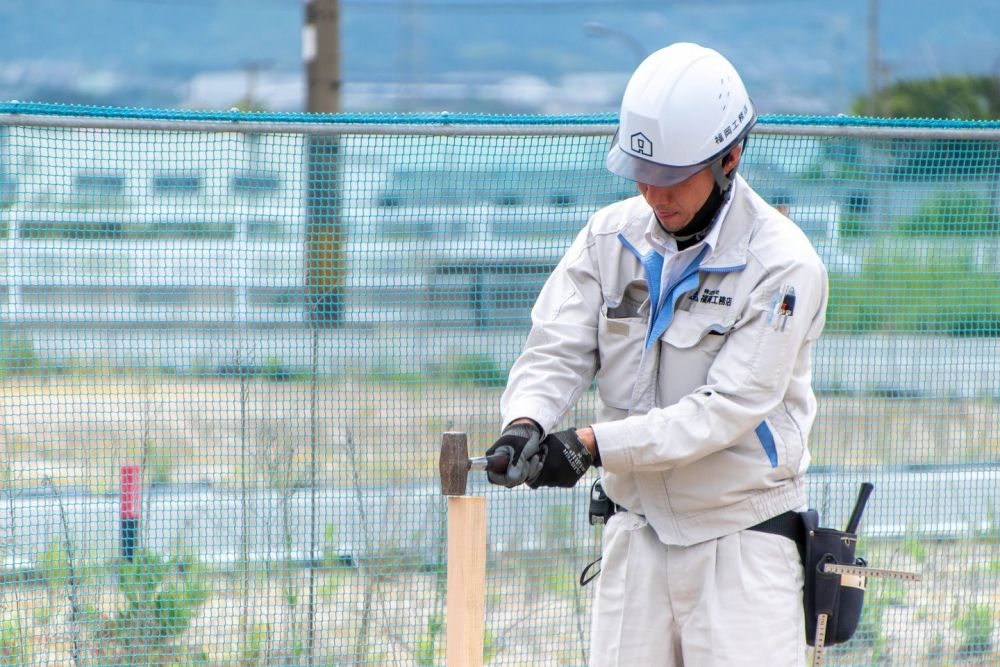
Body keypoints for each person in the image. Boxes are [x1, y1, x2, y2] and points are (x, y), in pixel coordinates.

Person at [484, 42, 828, 666]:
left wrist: (590, 445)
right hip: (633, 533)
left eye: (673, 178)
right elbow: (556, 348)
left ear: (730, 157)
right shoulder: (607, 238)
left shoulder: (782, 265)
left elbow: (723, 409)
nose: (654, 194)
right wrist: (526, 423)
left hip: (741, 543)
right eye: (643, 176)